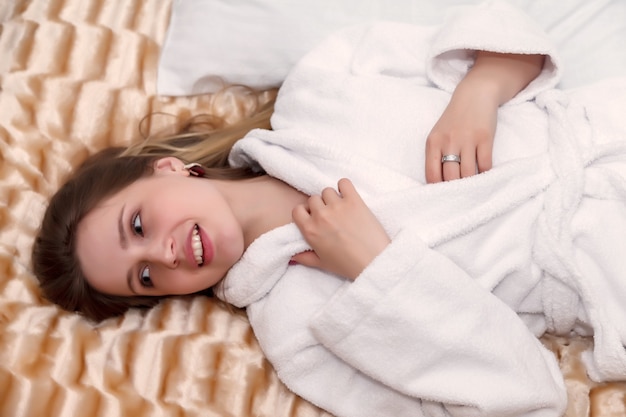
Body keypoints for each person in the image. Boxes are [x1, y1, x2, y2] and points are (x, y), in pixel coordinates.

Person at [32, 1, 626, 416]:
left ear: (165, 167)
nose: (161, 255)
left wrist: (480, 90)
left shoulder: (319, 87)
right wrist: (379, 271)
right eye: (144, 279)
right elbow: (518, 396)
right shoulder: (299, 331)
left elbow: (503, 26)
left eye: (136, 224)